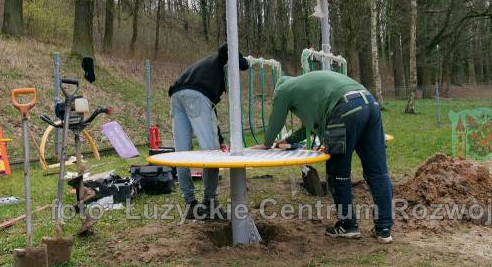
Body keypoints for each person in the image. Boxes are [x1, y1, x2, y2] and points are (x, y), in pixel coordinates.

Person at [252, 71, 394, 243]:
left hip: (344, 110)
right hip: (370, 104)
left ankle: (348, 224)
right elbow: (312, 126)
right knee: (378, 171)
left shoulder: (284, 90)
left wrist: (267, 144)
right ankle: (384, 228)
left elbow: (277, 118)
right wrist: (289, 140)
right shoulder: (309, 85)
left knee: (338, 172)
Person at [168, 43, 249, 220]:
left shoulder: (206, 67)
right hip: (195, 97)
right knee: (211, 152)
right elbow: (229, 49)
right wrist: (241, 59)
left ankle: (190, 203)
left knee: (182, 153)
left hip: (177, 95)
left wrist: (218, 136)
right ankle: (210, 202)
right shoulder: (221, 61)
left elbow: (211, 110)